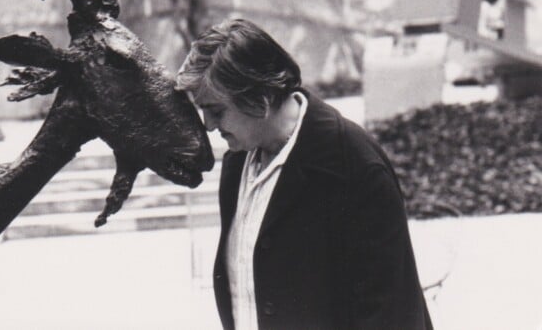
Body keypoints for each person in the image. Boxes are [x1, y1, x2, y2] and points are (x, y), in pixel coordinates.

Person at [176, 19, 432, 330]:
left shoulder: (354, 166)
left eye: (216, 110)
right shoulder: (236, 162)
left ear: (262, 98)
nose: (208, 125)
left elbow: (392, 315)